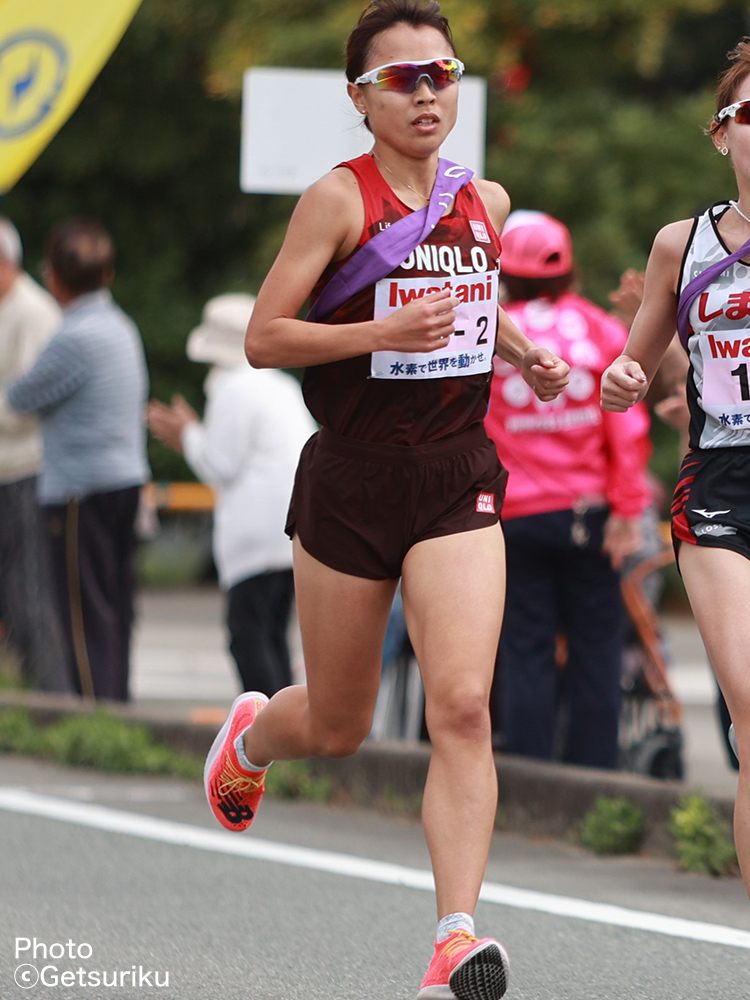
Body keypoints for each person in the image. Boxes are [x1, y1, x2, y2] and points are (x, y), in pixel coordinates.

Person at [202, 3, 569, 998]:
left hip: (456, 473)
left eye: (441, 74)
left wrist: (524, 353)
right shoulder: (336, 200)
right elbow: (265, 337)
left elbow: (471, 307)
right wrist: (378, 334)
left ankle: (454, 937)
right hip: (353, 476)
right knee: (339, 726)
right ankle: (252, 736)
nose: (426, 94)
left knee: (462, 707)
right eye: (402, 79)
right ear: (360, 98)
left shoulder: (483, 199)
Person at [601, 36, 750, 902]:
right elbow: (634, 365)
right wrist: (625, 378)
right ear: (721, 133)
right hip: (722, 485)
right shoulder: (679, 245)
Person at [484, 211, 651, 769]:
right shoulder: (600, 328)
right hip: (589, 514)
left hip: (513, 514)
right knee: (596, 649)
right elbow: (625, 428)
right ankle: (597, 783)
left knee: (525, 649)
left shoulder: (494, 334)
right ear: (570, 271)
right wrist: (628, 509)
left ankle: (531, 783)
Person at [7, 217, 150, 702]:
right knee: (114, 604)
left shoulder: (72, 337)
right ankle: (117, 704)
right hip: (125, 480)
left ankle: (94, 715)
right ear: (108, 274)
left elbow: (20, 397)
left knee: (81, 612)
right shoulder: (121, 327)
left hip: (79, 490)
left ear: (54, 279)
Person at [147, 293, 316, 696]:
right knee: (273, 632)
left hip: (255, 536)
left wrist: (187, 434)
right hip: (297, 528)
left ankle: (264, 725)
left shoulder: (232, 387)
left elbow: (220, 465)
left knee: (248, 637)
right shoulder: (281, 385)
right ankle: (283, 723)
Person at [0, 216, 70, 692]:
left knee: (29, 589)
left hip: (28, 467)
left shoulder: (34, 311)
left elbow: (31, 403)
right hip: (9, 468)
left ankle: (50, 698)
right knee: (13, 591)